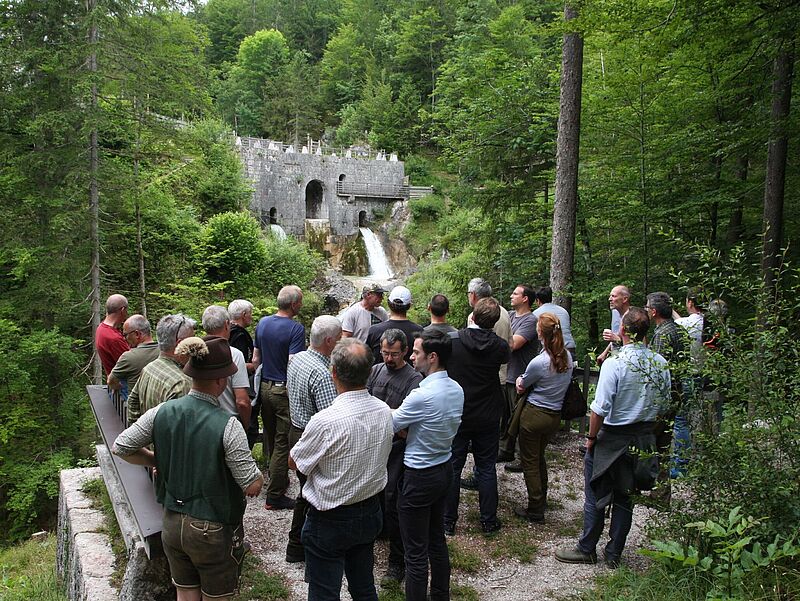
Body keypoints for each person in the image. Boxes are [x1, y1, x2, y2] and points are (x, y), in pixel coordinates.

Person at [113, 336, 264, 601]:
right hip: (211, 530)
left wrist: (155, 460)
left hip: (172, 523)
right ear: (220, 381)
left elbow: (122, 446)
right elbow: (251, 486)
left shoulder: (161, 412)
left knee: (185, 595)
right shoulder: (228, 425)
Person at [556, 308, 669, 568]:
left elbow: (599, 408)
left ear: (622, 331)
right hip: (643, 438)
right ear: (645, 332)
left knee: (596, 492)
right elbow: (664, 404)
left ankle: (587, 548)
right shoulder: (659, 362)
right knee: (626, 496)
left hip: (613, 437)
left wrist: (591, 439)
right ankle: (614, 553)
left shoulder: (615, 363)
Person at [289, 338, 393, 601]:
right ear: (369, 371)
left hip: (329, 519)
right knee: (364, 586)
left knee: (324, 592)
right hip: (370, 511)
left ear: (333, 372)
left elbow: (296, 462)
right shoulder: (384, 411)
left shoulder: (325, 421)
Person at [392, 330, 464, 601]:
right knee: (436, 540)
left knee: (415, 551)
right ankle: (441, 595)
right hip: (443, 468)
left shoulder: (421, 396)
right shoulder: (456, 389)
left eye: (416, 352)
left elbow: (392, 424)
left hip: (419, 476)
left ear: (432, 357)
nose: (411, 356)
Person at [444, 297, 510, 535]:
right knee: (486, 467)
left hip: (459, 411)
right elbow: (505, 357)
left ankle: (448, 522)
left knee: (453, 467)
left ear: (472, 315)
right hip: (488, 413)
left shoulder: (453, 342)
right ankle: (488, 521)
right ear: (493, 323)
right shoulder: (500, 347)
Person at [366, 328, 424, 585]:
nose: (388, 358)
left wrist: (386, 416)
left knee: (393, 502)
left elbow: (405, 424)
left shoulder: (414, 379)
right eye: (384, 352)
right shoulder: (376, 370)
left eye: (394, 354)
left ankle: (396, 562)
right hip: (372, 444)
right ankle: (377, 535)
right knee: (370, 495)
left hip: (397, 449)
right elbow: (364, 401)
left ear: (406, 351)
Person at [284, 315, 342, 564]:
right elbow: (332, 417)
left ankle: (296, 546)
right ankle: (301, 545)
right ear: (329, 341)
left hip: (295, 430)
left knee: (306, 491)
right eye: (339, 339)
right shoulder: (322, 372)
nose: (341, 343)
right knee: (314, 494)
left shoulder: (298, 359)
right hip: (312, 437)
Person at [514, 312, 574, 522]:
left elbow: (522, 385)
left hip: (534, 414)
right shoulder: (567, 357)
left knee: (529, 461)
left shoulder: (539, 362)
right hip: (554, 415)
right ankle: (543, 497)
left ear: (540, 332)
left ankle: (535, 508)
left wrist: (520, 381)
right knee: (540, 457)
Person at [253, 285, 305, 511]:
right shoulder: (296, 329)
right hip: (283, 389)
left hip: (264, 386)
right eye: (300, 301)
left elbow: (256, 358)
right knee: (283, 442)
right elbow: (294, 363)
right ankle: (274, 496)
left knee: (272, 437)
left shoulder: (263, 323)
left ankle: (277, 482)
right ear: (293, 304)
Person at [646, 292, 689, 480]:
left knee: (653, 443)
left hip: (664, 397)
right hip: (678, 392)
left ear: (654, 312)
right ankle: (661, 492)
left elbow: (659, 369)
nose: (646, 310)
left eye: (647, 307)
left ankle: (652, 484)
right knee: (664, 443)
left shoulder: (663, 334)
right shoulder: (680, 330)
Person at [127, 314, 195, 425]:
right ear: (180, 345)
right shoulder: (182, 383)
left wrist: (139, 436)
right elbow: (183, 432)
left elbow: (132, 402)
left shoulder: (149, 368)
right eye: (192, 341)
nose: (196, 345)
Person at [498, 284, 539, 467]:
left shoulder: (531, 320)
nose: (511, 295)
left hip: (519, 376)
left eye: (515, 293)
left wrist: (496, 339)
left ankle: (523, 458)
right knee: (505, 416)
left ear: (525, 299)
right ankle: (505, 450)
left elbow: (514, 344)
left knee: (519, 419)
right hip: (506, 373)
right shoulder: (510, 315)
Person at [202, 305, 251, 427]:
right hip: (229, 422)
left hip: (202, 421)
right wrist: (245, 426)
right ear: (226, 324)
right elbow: (242, 402)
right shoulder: (234, 354)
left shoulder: (195, 351)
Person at [228, 299, 259, 448]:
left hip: (228, 389)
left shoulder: (228, 332)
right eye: (250, 314)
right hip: (240, 388)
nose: (251, 317)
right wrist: (254, 366)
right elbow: (237, 364)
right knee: (250, 429)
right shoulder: (239, 336)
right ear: (244, 314)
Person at [366, 286, 423, 364]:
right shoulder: (419, 331)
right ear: (409, 306)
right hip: (410, 375)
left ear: (389, 304)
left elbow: (367, 359)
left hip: (379, 375)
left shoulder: (375, 331)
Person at [107, 314, 159, 396]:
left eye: (125, 335)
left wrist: (118, 387)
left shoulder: (128, 357)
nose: (124, 338)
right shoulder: (164, 352)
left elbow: (111, 381)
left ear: (137, 334)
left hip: (136, 407)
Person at [532, 286, 576, 358]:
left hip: (552, 351)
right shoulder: (563, 311)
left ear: (538, 300)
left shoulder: (536, 314)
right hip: (570, 349)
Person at [96, 293, 129, 378]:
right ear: (122, 310)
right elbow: (131, 363)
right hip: (121, 384)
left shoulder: (101, 328)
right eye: (126, 310)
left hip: (114, 380)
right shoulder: (113, 338)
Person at [596, 285, 631, 365]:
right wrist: (604, 353)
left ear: (625, 299)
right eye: (610, 296)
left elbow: (639, 344)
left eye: (613, 296)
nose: (610, 299)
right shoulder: (615, 313)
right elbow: (616, 337)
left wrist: (617, 340)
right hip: (615, 358)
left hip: (628, 362)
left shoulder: (634, 317)